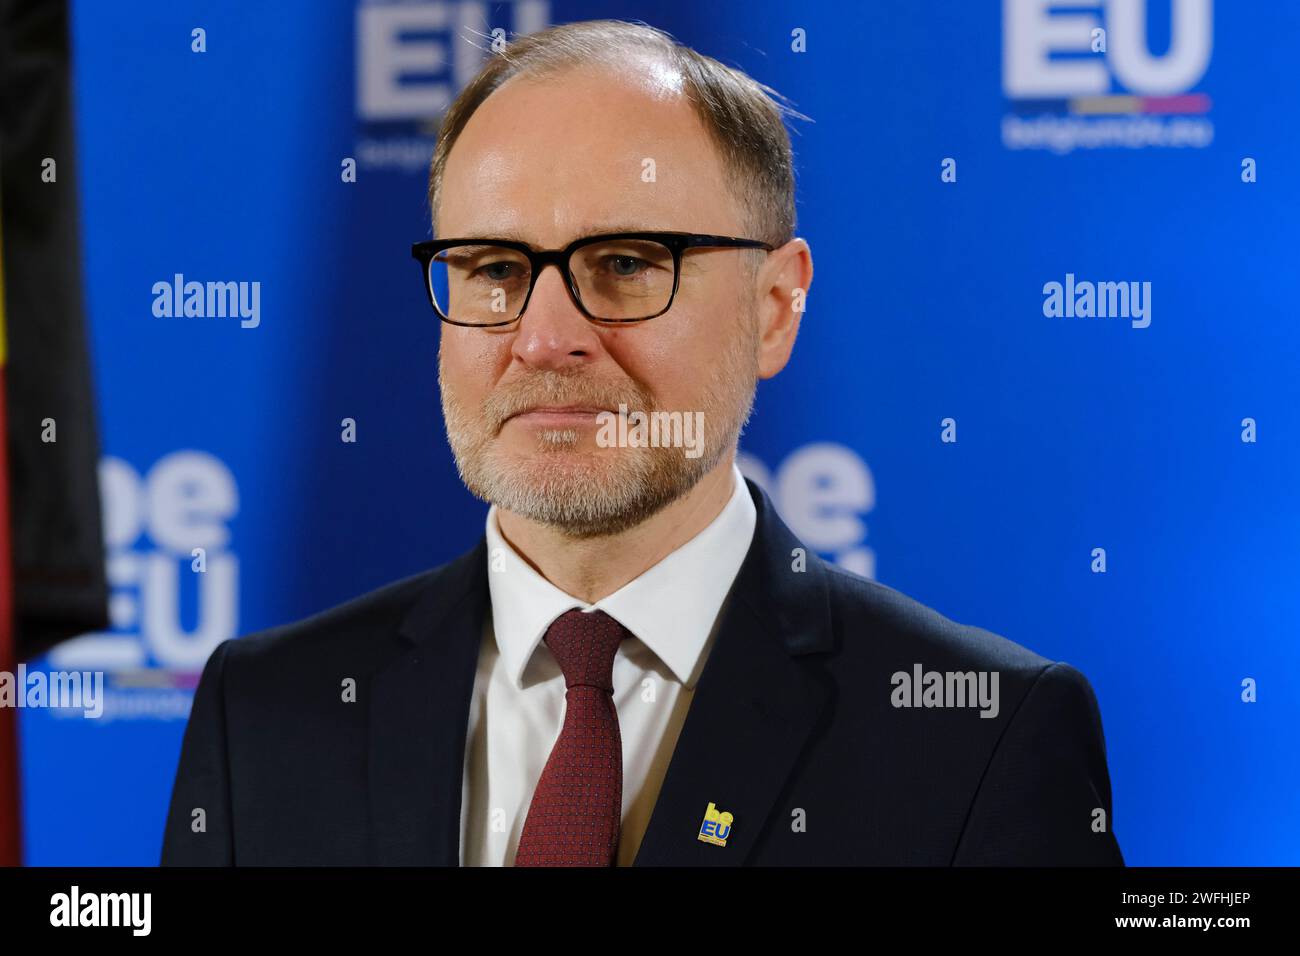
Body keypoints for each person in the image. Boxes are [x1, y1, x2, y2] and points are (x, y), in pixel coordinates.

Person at [162, 18, 1122, 866]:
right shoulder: (263, 715)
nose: (544, 339)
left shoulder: (981, 739)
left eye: (625, 264)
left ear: (776, 306)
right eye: (494, 269)